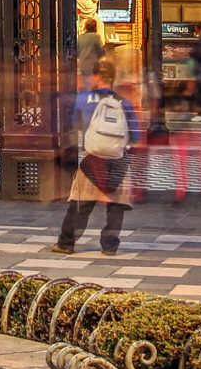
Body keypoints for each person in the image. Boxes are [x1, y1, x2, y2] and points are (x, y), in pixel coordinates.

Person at [54, 58, 140, 255]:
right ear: (113, 79)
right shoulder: (123, 103)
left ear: (94, 76)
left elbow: (72, 126)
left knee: (81, 204)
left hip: (91, 158)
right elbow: (134, 135)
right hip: (118, 159)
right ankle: (109, 245)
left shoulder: (82, 99)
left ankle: (66, 243)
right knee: (116, 205)